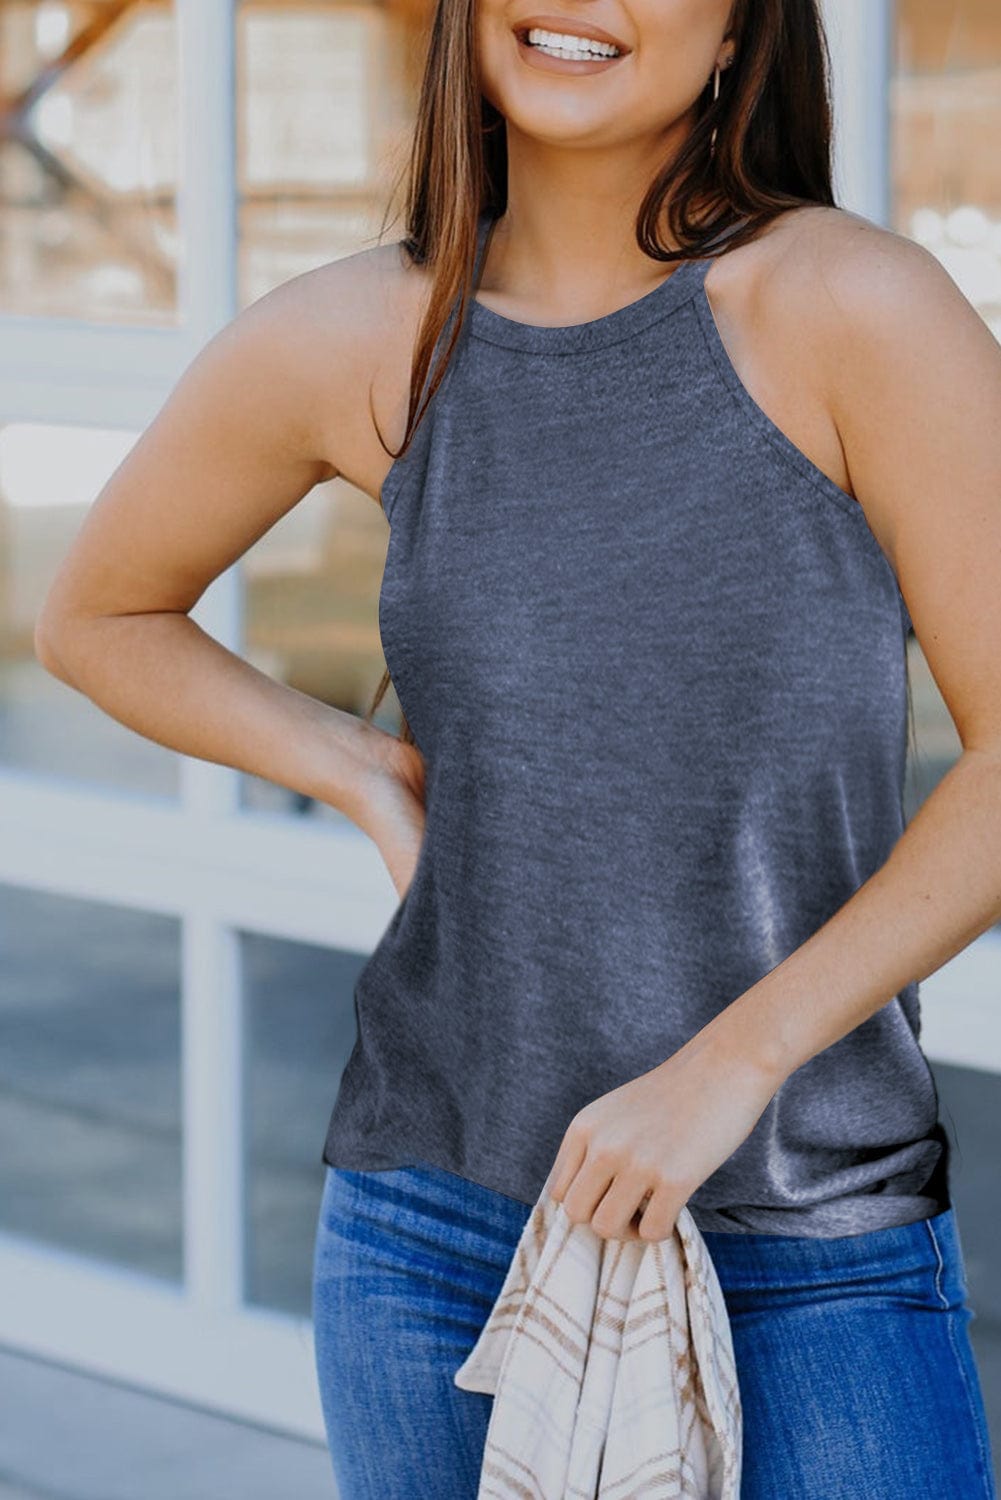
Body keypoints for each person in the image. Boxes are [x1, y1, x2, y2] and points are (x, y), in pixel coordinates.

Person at [35, 0, 1000, 1495]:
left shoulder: (855, 311)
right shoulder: (362, 335)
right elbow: (99, 615)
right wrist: (355, 767)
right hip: (438, 1234)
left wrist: (728, 1064)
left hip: (806, 1247)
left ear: (742, 34)